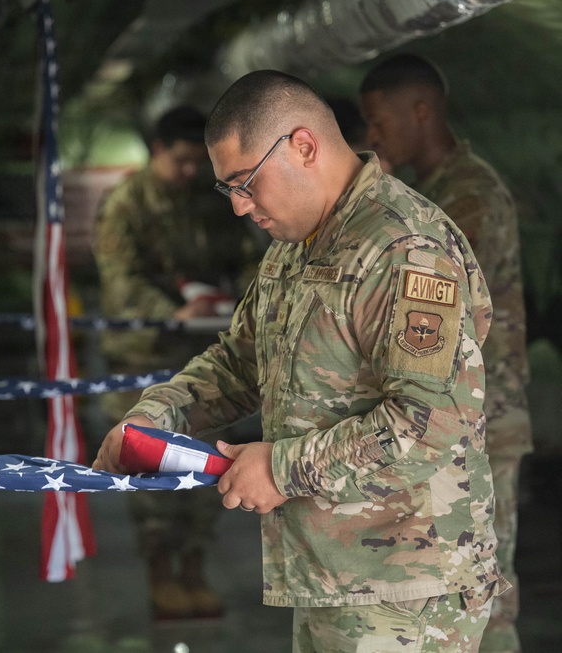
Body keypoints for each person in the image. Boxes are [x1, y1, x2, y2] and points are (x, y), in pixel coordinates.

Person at [93, 70, 508, 652]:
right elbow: (241, 361)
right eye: (228, 190)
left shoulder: (404, 247)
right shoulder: (298, 245)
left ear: (303, 146)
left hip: (407, 588)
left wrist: (280, 470)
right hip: (331, 574)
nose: (240, 208)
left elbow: (430, 422)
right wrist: (154, 419)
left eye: (245, 183)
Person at [360, 53, 532, 653]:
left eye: (378, 120)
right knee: (453, 592)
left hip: (485, 418)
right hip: (454, 418)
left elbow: (420, 297)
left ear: (421, 111)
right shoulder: (431, 193)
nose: (372, 136)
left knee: (487, 595)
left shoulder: (468, 195)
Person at [93, 105, 264, 618]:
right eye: (181, 161)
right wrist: (171, 313)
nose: (191, 172)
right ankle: (160, 574)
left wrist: (239, 299)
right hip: (145, 357)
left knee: (203, 470)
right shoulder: (126, 204)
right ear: (157, 151)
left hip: (205, 356)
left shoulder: (211, 203)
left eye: (198, 163)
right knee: (150, 476)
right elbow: (120, 280)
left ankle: (193, 568)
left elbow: (247, 259)